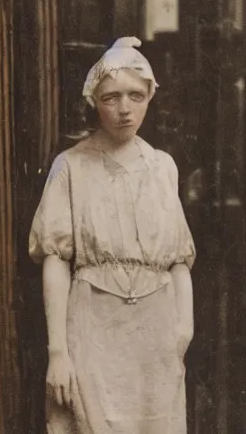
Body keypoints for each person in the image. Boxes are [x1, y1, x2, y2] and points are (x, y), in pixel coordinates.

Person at [28, 36, 196, 433]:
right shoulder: (70, 167)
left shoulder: (163, 167)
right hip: (94, 330)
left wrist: (182, 331)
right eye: (111, 98)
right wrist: (58, 353)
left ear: (150, 96)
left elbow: (178, 260)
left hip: (156, 333)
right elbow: (55, 258)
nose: (124, 109)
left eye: (136, 96)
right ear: (94, 100)